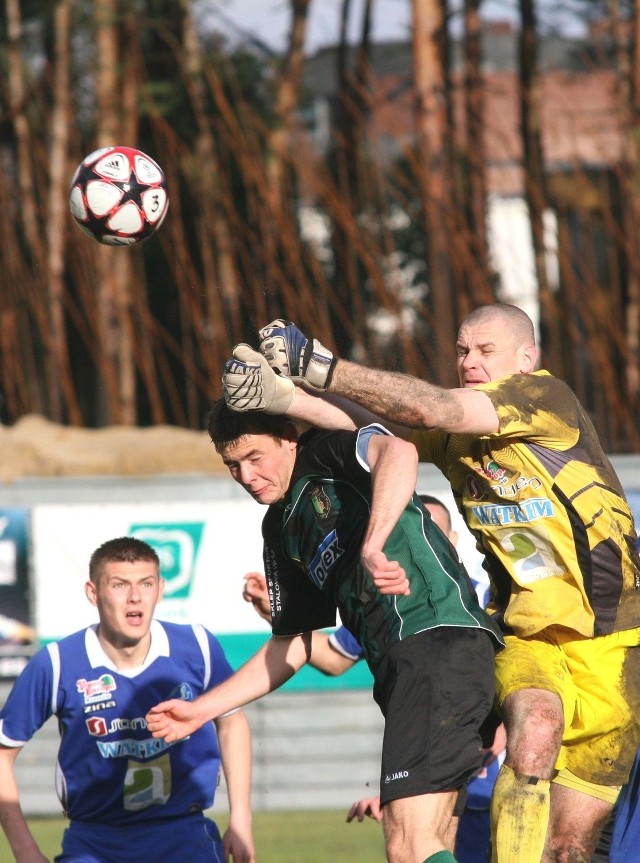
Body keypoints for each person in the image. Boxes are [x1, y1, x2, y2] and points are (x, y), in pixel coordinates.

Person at [232, 305, 640, 863]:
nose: (468, 362)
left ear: (527, 358)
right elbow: (371, 426)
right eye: (462, 350)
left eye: (484, 351)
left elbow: (431, 404)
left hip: (615, 638)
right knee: (535, 727)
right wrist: (287, 399)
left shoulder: (545, 398)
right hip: (526, 634)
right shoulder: (451, 437)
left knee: (569, 847)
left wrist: (318, 365)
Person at [147, 400, 505, 863]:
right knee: (430, 840)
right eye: (233, 465)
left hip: (436, 641)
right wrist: (200, 711)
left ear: (289, 436)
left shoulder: (327, 453)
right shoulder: (279, 528)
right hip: (412, 666)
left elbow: (399, 453)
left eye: (256, 457)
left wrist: (373, 546)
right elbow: (292, 646)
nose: (247, 476)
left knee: (408, 844)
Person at [242, 495, 503, 863]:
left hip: (498, 780)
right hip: (443, 777)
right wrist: (278, 618)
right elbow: (334, 658)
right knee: (422, 846)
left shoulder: (485, 601)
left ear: (450, 541)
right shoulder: (387, 603)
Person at [0, 536, 255, 863]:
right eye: (120, 585)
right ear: (93, 593)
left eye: (146, 584)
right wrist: (25, 852)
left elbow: (232, 721)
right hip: (94, 842)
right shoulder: (57, 663)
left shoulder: (198, 647)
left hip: (185, 837)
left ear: (161, 590)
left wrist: (241, 820)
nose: (135, 597)